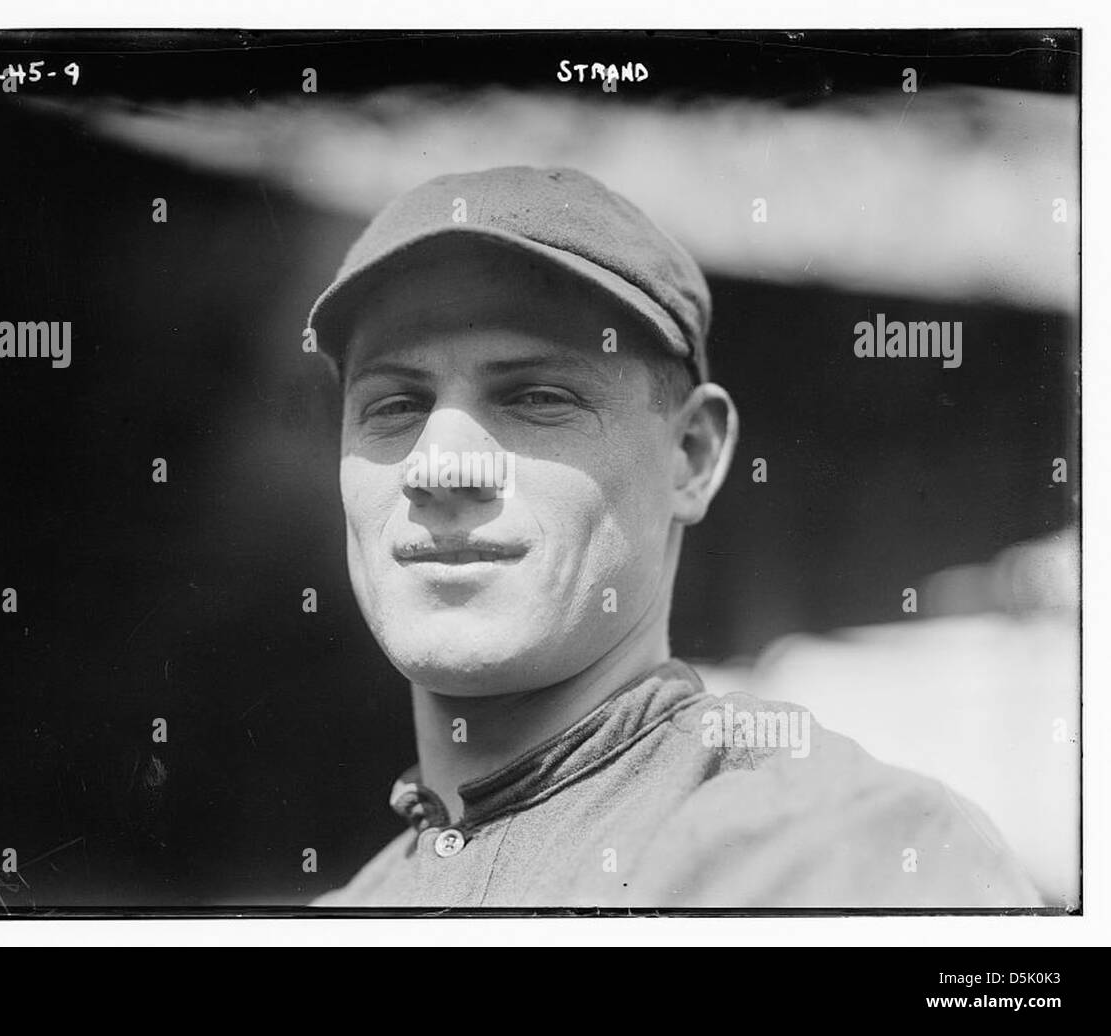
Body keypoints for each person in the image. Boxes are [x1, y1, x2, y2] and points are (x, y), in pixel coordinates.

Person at [304, 165, 1041, 908]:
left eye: (536, 397)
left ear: (692, 456)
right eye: (395, 405)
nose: (440, 466)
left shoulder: (847, 855)